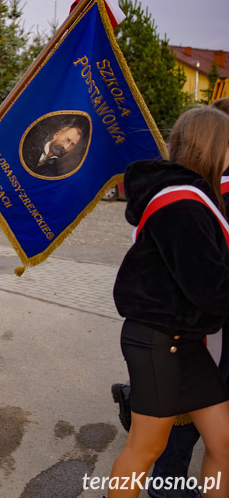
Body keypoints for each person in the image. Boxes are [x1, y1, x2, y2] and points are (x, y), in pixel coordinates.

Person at [107, 106, 229, 498]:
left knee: (224, 444)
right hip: (159, 342)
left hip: (184, 340)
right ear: (213, 147)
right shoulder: (182, 202)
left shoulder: (190, 195)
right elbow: (208, 286)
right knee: (146, 448)